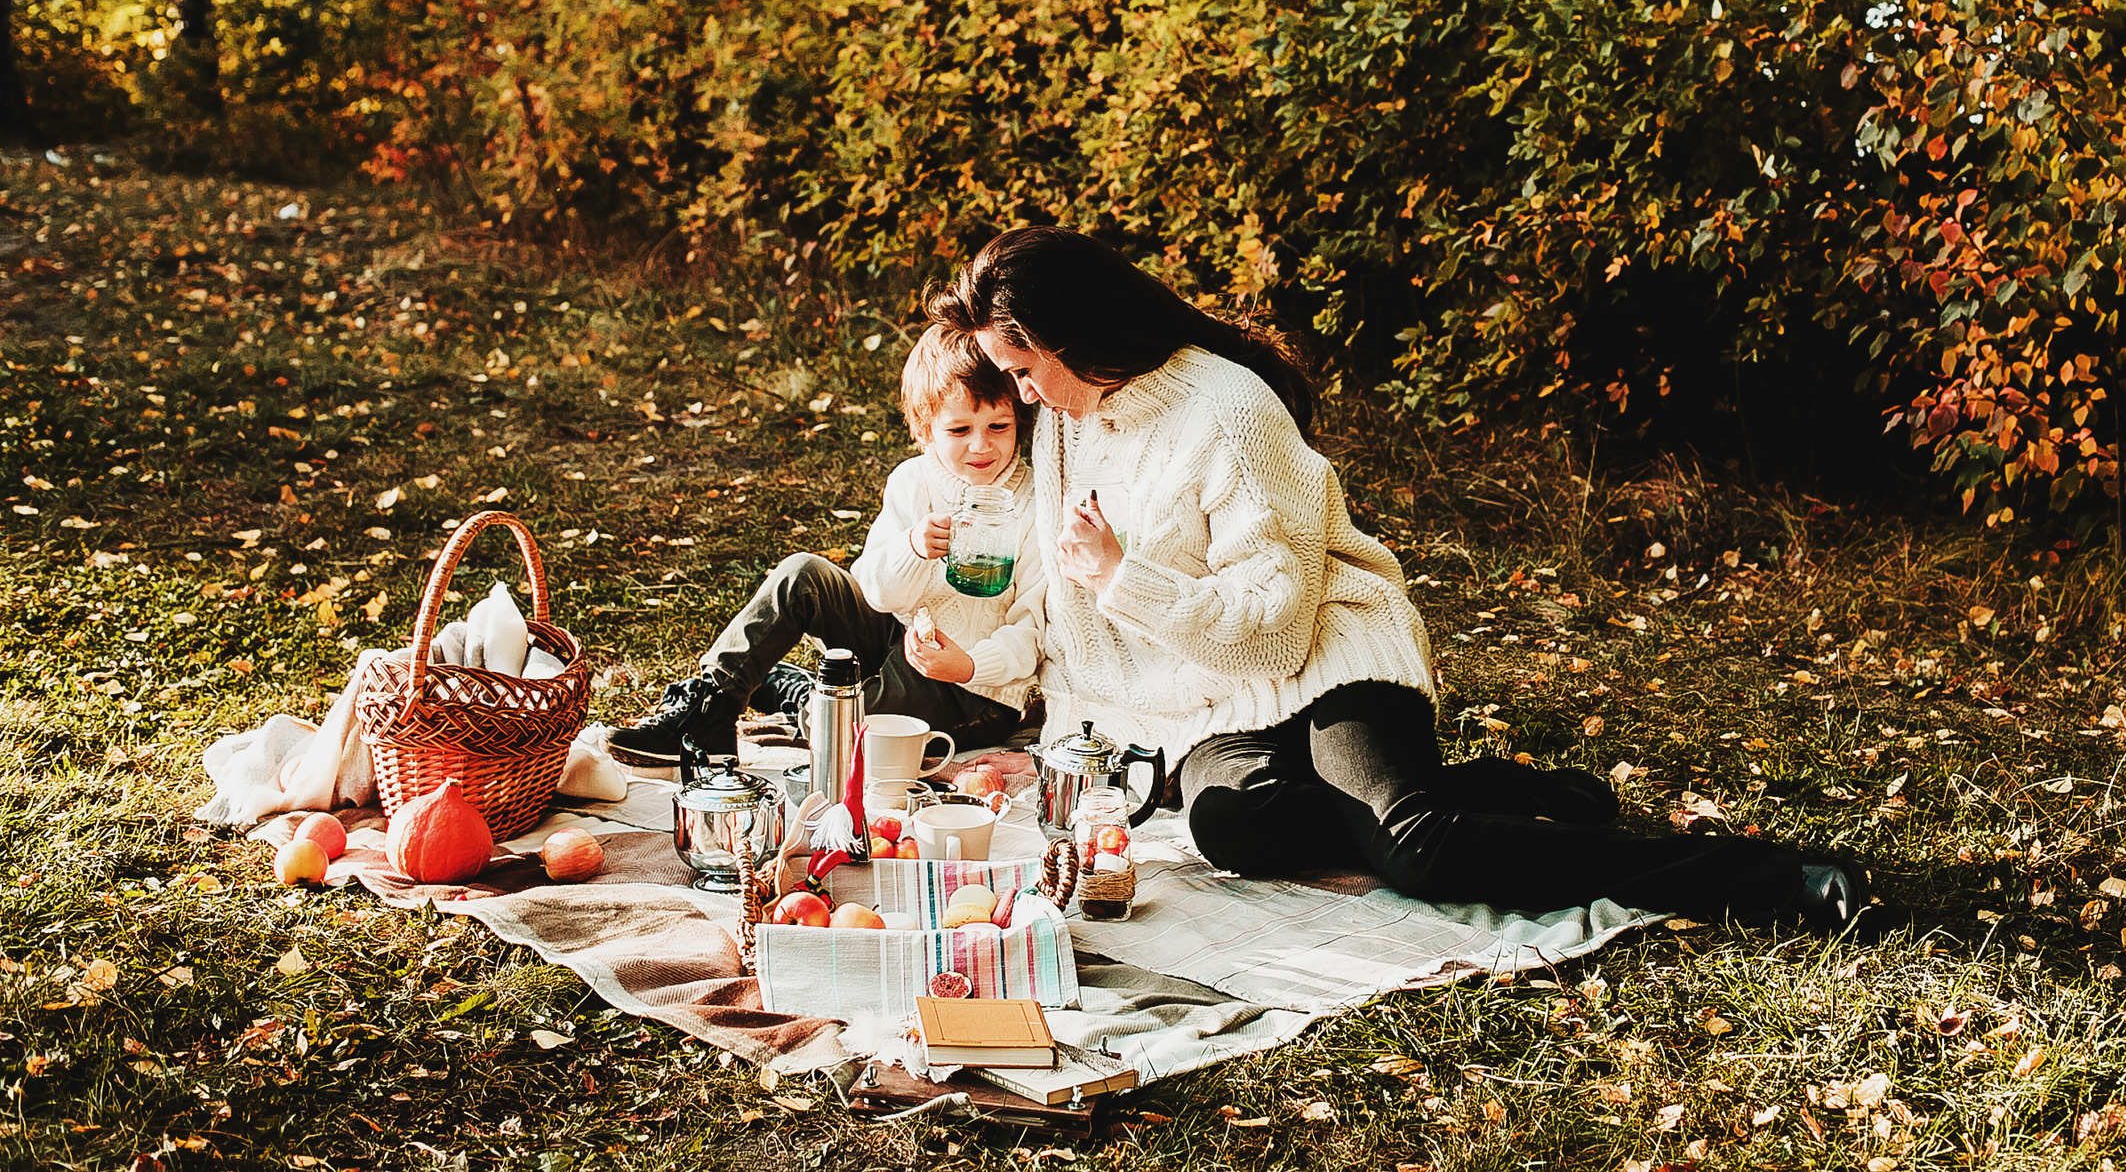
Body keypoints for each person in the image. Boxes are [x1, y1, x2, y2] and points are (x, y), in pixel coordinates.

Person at [920, 225, 1870, 928]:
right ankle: (1496, 795)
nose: (1024, 394)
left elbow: (1278, 627)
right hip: (1223, 699)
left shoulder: (1228, 410)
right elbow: (1079, 625)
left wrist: (1127, 578)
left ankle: (1771, 879)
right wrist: (1053, 733)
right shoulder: (1067, 423)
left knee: (1420, 848)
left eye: (1026, 366)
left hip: (1328, 651)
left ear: (1077, 334)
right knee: (1228, 827)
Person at [605, 324, 1043, 768]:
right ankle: (710, 705)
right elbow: (876, 592)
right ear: (924, 430)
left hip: (972, 691)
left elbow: (1033, 631)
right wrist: (912, 548)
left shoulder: (1034, 503)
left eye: (998, 425)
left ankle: (797, 695)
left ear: (1020, 420)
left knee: (835, 732)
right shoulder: (914, 481)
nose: (981, 445)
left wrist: (968, 666)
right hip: (900, 633)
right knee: (803, 575)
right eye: (959, 429)